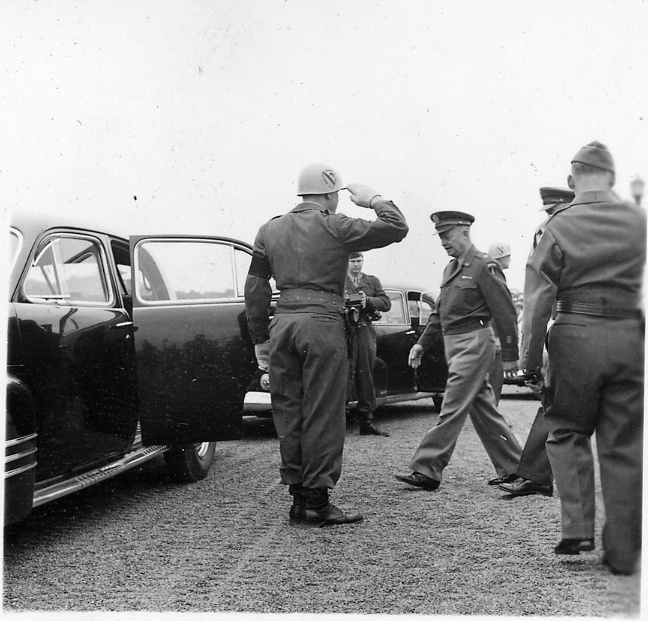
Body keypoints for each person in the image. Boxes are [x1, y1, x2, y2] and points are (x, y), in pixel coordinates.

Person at [244, 162, 408, 526]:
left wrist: (259, 338)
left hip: (282, 324)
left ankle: (298, 499)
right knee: (323, 410)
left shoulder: (269, 229)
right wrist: (373, 199)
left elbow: (255, 287)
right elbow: (397, 226)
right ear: (331, 194)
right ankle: (316, 502)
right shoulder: (337, 225)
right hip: (322, 324)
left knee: (289, 410)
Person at [520, 142, 645, 575]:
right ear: (613, 179)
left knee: (567, 429)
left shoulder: (557, 225)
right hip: (630, 337)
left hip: (574, 336)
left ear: (571, 181)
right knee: (624, 441)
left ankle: (576, 529)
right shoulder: (638, 221)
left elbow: (538, 300)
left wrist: (529, 360)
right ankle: (624, 550)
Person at [395, 211, 522, 491]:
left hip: (475, 342)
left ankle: (428, 468)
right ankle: (516, 468)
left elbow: (505, 313)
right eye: (440, 236)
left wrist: (511, 355)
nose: (443, 242)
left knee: (451, 405)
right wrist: (421, 344)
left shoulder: (484, 266)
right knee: (483, 408)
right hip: (455, 345)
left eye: (447, 235)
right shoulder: (450, 269)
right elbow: (439, 314)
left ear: (465, 233)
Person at [499, 186, 574, 498]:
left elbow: (540, 297)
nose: (551, 219)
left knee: (557, 403)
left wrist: (529, 360)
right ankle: (534, 474)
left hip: (577, 328)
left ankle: (536, 475)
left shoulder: (552, 233)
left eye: (553, 211)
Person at [345, 251, 391, 437]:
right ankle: (339, 420)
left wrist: (368, 301)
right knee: (343, 373)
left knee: (366, 373)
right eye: (353, 261)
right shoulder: (338, 280)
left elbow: (386, 303)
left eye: (359, 260)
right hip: (344, 331)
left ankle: (367, 420)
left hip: (364, 330)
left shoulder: (372, 281)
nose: (357, 264)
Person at [485, 241, 513, 404]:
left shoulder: (491, 273)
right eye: (508, 256)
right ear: (501, 256)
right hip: (493, 339)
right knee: (493, 385)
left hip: (489, 337)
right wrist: (497, 338)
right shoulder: (494, 275)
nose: (510, 259)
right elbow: (499, 311)